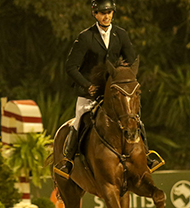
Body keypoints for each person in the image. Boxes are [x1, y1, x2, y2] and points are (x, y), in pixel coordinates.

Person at [54, 0, 162, 179]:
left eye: (109, 12)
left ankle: (147, 156)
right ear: (95, 14)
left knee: (134, 118)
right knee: (80, 119)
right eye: (102, 13)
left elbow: (131, 61)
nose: (106, 16)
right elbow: (71, 67)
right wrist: (87, 85)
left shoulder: (121, 35)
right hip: (90, 91)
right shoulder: (85, 37)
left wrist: (125, 81)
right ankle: (68, 161)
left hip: (114, 92)